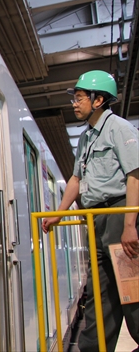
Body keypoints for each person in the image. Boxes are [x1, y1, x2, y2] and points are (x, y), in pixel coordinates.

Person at [41, 70, 139, 352]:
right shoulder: (86, 138)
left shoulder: (119, 128)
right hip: (95, 218)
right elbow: (76, 179)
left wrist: (130, 223)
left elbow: (135, 174)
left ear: (98, 101)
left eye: (80, 97)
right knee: (100, 290)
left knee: (131, 289)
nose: (75, 103)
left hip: (119, 214)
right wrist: (59, 213)